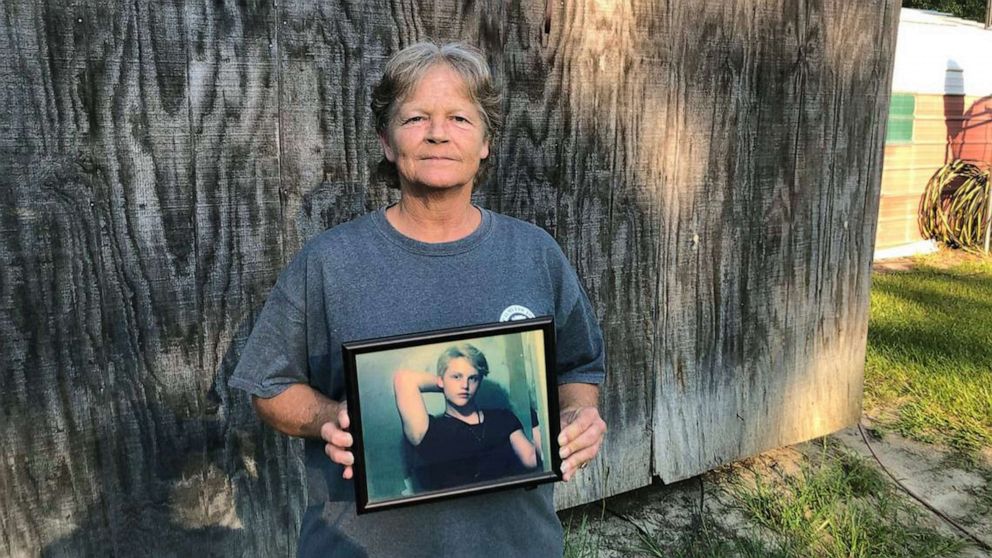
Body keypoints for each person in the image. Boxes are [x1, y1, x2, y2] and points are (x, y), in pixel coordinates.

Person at [229, 41, 607, 557]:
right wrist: (330, 416)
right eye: (415, 118)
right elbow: (267, 384)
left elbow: (579, 368)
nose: (437, 132)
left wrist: (578, 419)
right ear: (387, 141)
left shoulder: (534, 254)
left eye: (459, 117)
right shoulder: (330, 262)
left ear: (485, 142)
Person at [393, 343, 538, 491]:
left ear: (480, 381)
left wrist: (537, 413)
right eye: (456, 377)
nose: (465, 385)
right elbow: (403, 379)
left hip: (505, 506)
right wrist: (445, 384)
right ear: (440, 380)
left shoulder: (502, 418)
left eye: (473, 378)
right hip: (453, 512)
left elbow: (532, 459)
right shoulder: (428, 430)